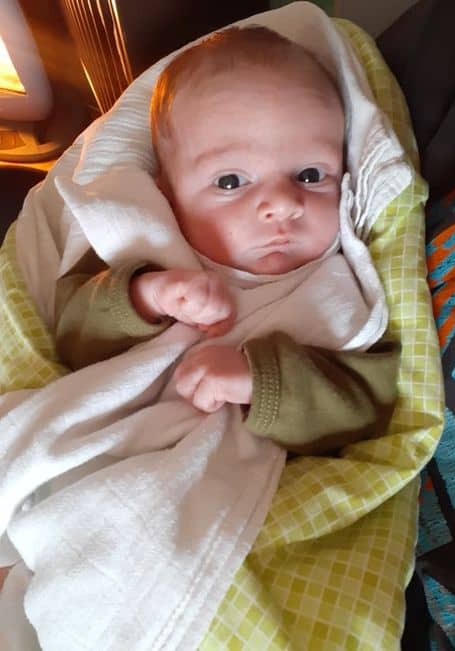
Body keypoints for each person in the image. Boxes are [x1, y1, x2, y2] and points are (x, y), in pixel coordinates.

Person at [54, 26, 400, 454]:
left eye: (310, 175)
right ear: (168, 194)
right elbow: (71, 335)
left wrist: (259, 381)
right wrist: (146, 297)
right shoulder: (147, 247)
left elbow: (367, 404)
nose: (282, 204)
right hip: (106, 442)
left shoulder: (338, 284)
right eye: (231, 181)